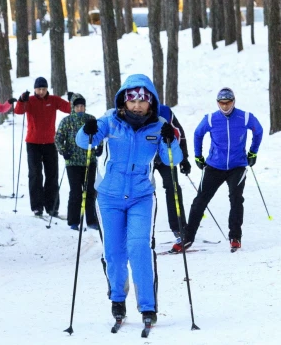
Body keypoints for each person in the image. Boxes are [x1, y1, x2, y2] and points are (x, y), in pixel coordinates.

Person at [76, 74, 183, 326]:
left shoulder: (158, 126)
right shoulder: (110, 120)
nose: (137, 106)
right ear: (124, 100)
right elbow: (85, 141)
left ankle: (147, 305)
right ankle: (117, 299)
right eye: (132, 100)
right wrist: (87, 129)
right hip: (109, 197)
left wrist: (171, 140)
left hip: (141, 196)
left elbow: (171, 160)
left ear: (151, 103)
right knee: (114, 251)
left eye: (142, 101)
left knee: (139, 248)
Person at [172, 87, 263, 253]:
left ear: (234, 102)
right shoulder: (211, 119)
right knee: (200, 201)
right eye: (222, 103)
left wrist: (253, 152)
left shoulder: (245, 117)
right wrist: (198, 156)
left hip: (237, 166)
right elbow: (198, 134)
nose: (225, 106)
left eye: (228, 103)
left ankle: (235, 237)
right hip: (214, 166)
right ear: (217, 103)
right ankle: (187, 237)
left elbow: (259, 131)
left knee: (236, 199)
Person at [14, 77, 71, 218]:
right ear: (34, 89)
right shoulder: (30, 100)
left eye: (44, 89)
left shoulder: (53, 100)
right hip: (33, 143)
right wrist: (22, 99)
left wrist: (73, 99)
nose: (41, 91)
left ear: (47, 89)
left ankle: (52, 207)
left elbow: (69, 108)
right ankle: (37, 207)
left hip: (51, 143)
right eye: (39, 89)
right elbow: (18, 111)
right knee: (35, 175)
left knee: (52, 175)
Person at [54, 93, 101, 230]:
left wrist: (100, 148)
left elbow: (100, 135)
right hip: (73, 162)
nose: (80, 109)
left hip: (89, 161)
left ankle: (91, 220)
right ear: (73, 107)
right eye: (77, 106)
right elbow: (58, 138)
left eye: (82, 106)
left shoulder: (91, 119)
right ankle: (73, 221)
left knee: (90, 191)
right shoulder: (66, 121)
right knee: (76, 192)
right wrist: (64, 151)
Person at [153, 105, 191, 241]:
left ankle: (179, 227)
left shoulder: (164, 111)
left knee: (173, 187)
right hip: (146, 157)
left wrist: (184, 158)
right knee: (144, 191)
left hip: (166, 153)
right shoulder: (135, 109)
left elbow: (179, 133)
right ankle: (143, 231)